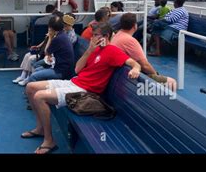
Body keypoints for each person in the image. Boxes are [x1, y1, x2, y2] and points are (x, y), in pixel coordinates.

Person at [22, 22, 141, 154]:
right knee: (30, 87)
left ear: (106, 36)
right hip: (74, 82)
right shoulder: (95, 50)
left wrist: (135, 69)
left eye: (96, 35)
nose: (92, 38)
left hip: (84, 91)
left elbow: (133, 63)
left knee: (39, 96)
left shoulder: (112, 51)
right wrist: (89, 51)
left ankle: (49, 141)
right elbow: (77, 69)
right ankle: (40, 128)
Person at [111, 13, 177, 91]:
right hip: (128, 77)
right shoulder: (130, 40)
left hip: (120, 72)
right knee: (172, 83)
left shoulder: (117, 35)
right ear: (135, 26)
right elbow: (145, 66)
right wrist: (155, 74)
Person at [25, 15, 75, 83]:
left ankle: (37, 91)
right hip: (62, 67)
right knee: (36, 70)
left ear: (51, 27)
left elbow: (46, 52)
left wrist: (50, 37)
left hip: (61, 71)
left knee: (33, 76)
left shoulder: (58, 39)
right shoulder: (62, 35)